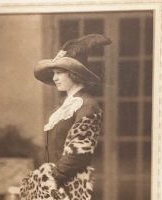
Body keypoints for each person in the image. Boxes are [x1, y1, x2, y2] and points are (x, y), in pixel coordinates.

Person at [19, 34, 111, 200]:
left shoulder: (87, 105)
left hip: (69, 186)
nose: (55, 78)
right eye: (54, 73)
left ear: (74, 74)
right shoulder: (65, 105)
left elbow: (79, 153)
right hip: (54, 184)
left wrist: (48, 179)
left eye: (60, 73)